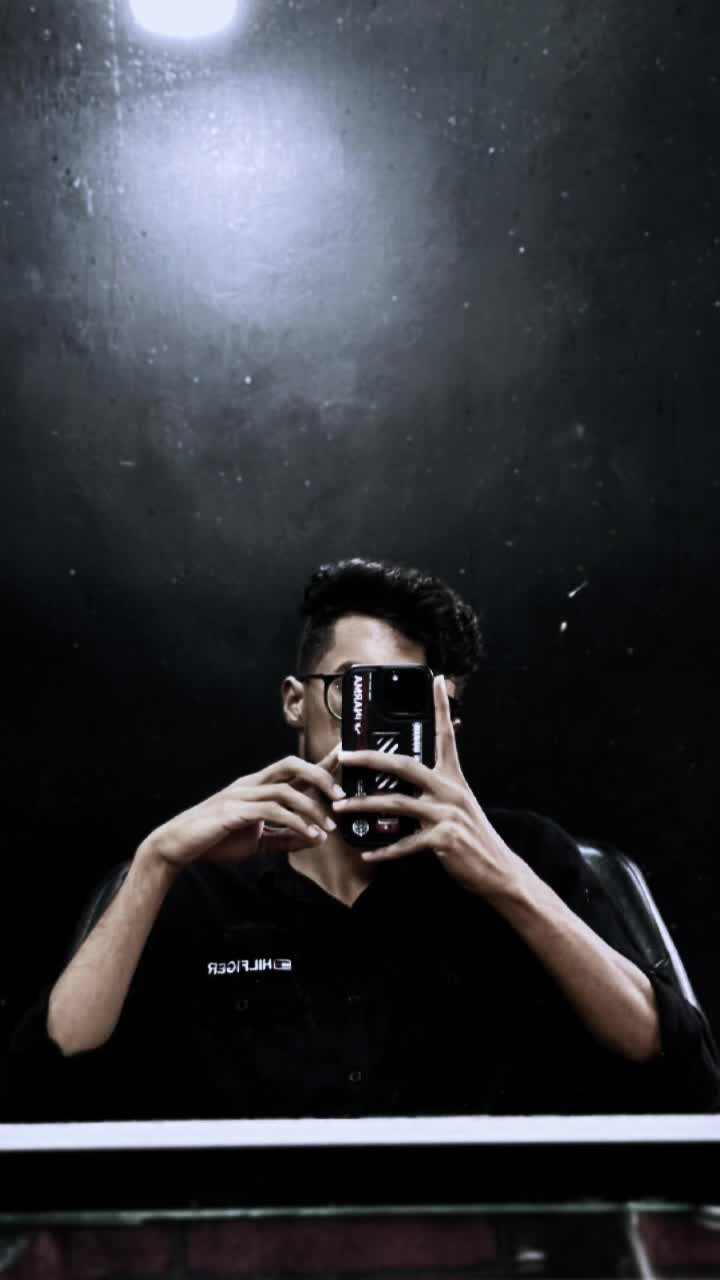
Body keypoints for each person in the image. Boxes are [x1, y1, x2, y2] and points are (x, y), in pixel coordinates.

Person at [4, 558, 719, 1120]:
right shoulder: (199, 884)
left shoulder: (525, 857)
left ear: (448, 723)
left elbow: (686, 1079)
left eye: (408, 701)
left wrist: (505, 877)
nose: (373, 729)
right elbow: (38, 1091)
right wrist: (157, 860)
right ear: (296, 701)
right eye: (356, 689)